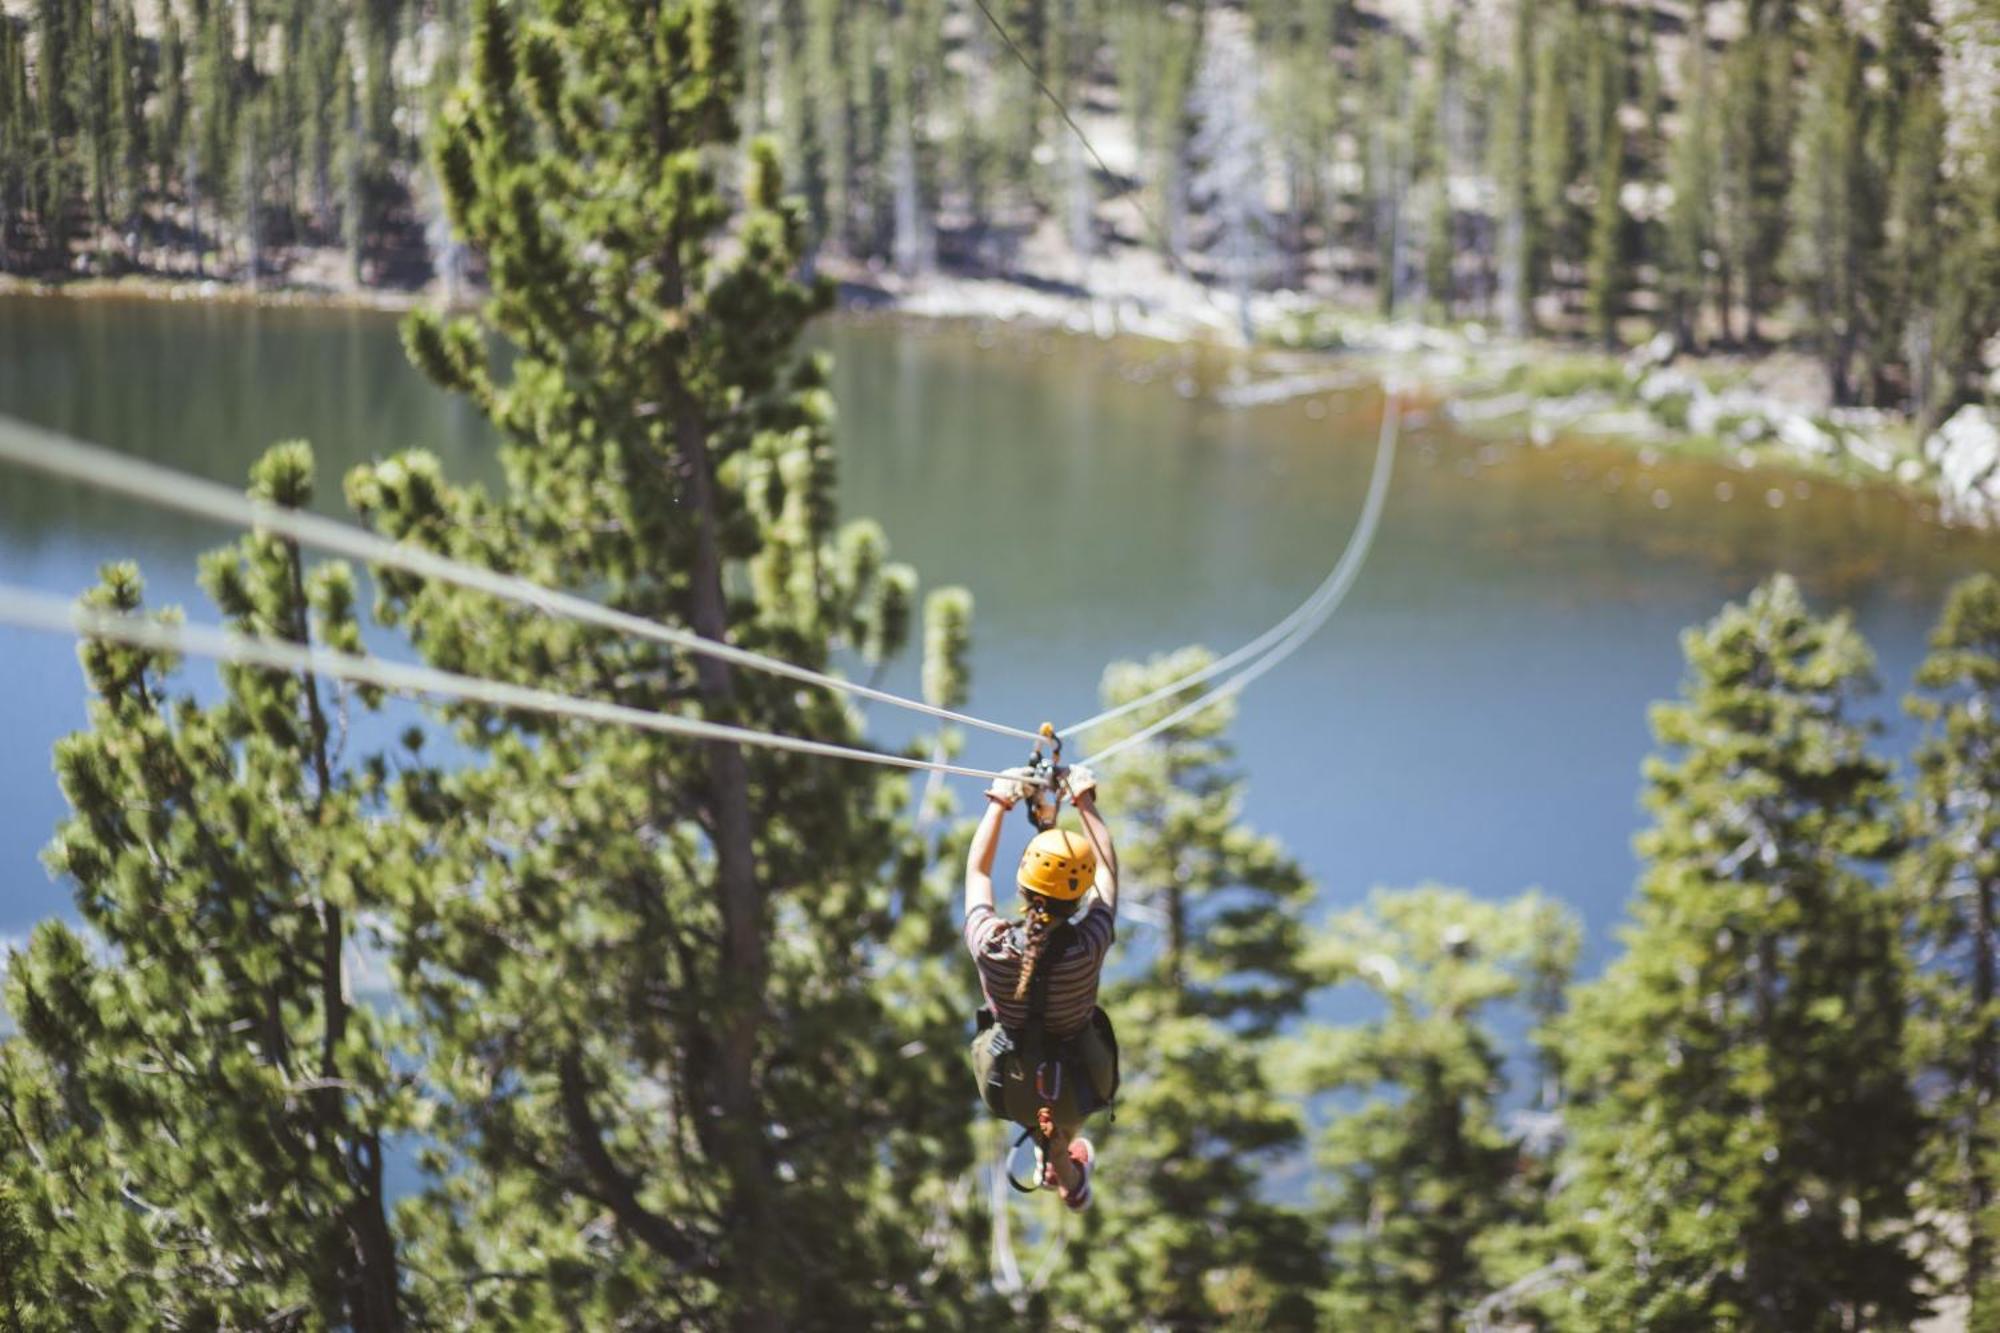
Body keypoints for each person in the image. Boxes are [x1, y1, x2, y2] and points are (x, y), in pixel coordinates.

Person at [965, 762, 1120, 1211]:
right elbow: (1108, 871)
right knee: (1062, 1118)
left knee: (1049, 1111)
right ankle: (1061, 1161)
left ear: (1022, 885)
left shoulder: (990, 945)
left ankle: (1059, 1157)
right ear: (1079, 897)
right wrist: (1084, 800)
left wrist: (999, 801)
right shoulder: (1088, 945)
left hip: (1008, 1080)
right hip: (1078, 1080)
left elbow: (977, 874)